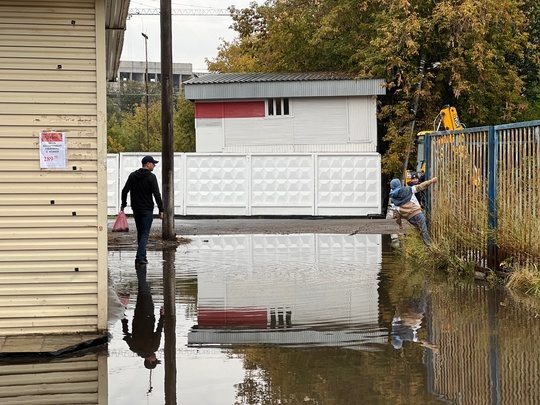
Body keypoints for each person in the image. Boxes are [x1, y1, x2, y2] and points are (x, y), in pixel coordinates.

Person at [121, 155, 164, 264]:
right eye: (153, 163)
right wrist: (161, 209)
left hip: (136, 209)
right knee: (145, 233)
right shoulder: (151, 177)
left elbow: (124, 190)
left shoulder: (132, 176)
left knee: (141, 233)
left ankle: (143, 257)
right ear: (148, 164)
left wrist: (124, 204)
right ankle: (140, 257)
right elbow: (156, 194)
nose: (154, 165)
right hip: (147, 209)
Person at [122, 263, 164, 369]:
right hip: (137, 316)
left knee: (145, 290)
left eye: (155, 360)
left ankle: (140, 268)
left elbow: (159, 331)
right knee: (142, 290)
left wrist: (162, 316)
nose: (156, 357)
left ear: (150, 361)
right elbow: (126, 334)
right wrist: (123, 317)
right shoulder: (134, 348)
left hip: (149, 316)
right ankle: (142, 268)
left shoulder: (153, 347)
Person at [389, 176, 437, 245]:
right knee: (424, 230)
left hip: (410, 218)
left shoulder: (394, 199)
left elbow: (397, 214)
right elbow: (421, 186)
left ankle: (425, 246)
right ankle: (430, 247)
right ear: (399, 184)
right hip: (417, 213)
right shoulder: (409, 189)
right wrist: (431, 181)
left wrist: (400, 224)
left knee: (420, 230)